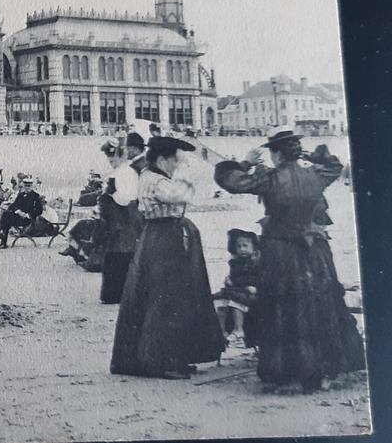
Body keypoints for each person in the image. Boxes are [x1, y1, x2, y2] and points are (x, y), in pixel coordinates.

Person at [214, 126, 365, 392]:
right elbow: (335, 165)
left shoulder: (270, 179)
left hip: (280, 250)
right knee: (320, 305)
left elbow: (231, 181)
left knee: (283, 307)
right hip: (313, 248)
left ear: (276, 154)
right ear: (294, 152)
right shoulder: (314, 175)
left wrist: (246, 162)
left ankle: (289, 371)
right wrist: (308, 154)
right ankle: (323, 369)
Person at [110, 136, 225, 380]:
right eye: (174, 161)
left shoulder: (152, 176)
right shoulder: (154, 179)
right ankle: (160, 360)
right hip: (162, 238)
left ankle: (173, 356)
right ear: (162, 159)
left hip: (161, 237)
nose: (176, 166)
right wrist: (187, 171)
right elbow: (179, 195)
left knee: (172, 295)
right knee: (165, 297)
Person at [99, 139, 142, 304]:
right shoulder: (117, 172)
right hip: (115, 220)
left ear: (122, 155)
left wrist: (111, 193)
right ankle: (112, 293)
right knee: (114, 254)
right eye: (108, 157)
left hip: (125, 218)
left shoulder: (128, 172)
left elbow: (127, 197)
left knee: (122, 254)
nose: (110, 160)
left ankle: (118, 293)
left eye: (113, 157)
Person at [213, 229, 261, 350]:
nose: (241, 249)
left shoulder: (256, 262)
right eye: (238, 246)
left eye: (245, 246)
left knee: (236, 302)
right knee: (221, 302)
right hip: (237, 289)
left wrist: (255, 287)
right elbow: (235, 277)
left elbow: (260, 278)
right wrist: (229, 280)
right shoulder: (235, 262)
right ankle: (221, 331)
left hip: (250, 291)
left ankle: (238, 329)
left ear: (254, 247)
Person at [0, 177, 43, 249]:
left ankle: (1, 235)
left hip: (28, 219)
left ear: (32, 186)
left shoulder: (36, 196)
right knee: (6, 215)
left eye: (29, 186)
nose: (27, 188)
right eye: (26, 186)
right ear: (23, 186)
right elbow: (13, 206)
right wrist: (18, 211)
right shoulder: (21, 195)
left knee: (6, 218)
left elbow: (39, 210)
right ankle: (2, 240)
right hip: (19, 217)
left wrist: (27, 215)